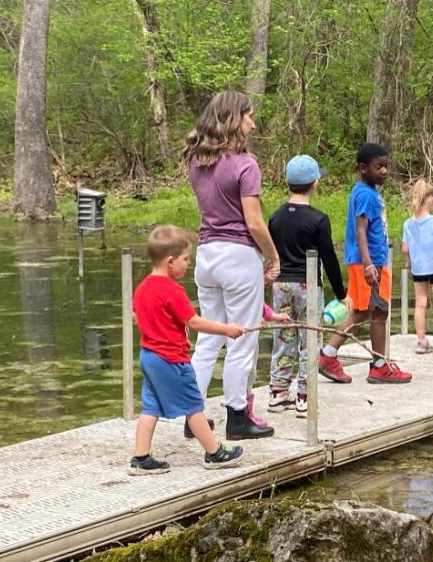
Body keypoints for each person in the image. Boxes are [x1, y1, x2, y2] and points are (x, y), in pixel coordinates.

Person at [186, 91, 278, 440]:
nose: (253, 123)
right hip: (238, 256)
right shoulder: (244, 164)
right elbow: (254, 223)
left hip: (207, 254)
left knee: (209, 339)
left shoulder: (197, 160)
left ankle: (192, 416)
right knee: (242, 339)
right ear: (234, 118)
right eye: (249, 116)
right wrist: (273, 255)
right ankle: (238, 418)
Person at [128, 225, 246, 475]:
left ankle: (140, 458)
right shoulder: (172, 290)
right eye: (185, 259)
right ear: (170, 262)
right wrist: (227, 329)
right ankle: (215, 453)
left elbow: (137, 316)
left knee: (150, 407)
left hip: (148, 356)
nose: (188, 264)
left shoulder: (142, 288)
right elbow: (194, 321)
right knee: (194, 405)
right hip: (171, 359)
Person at [317, 143, 412, 384]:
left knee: (368, 311)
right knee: (374, 312)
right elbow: (361, 230)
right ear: (362, 168)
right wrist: (369, 265)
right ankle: (377, 365)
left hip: (372, 261)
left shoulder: (367, 191)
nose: (384, 171)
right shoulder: (366, 195)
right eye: (378, 167)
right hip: (369, 263)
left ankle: (335, 355)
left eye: (386, 166)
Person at [266, 154, 350, 417]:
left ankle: (278, 391)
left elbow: (271, 253)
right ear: (315, 183)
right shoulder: (318, 219)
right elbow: (329, 258)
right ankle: (304, 396)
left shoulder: (276, 216)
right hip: (308, 286)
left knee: (284, 337)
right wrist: (341, 293)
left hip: (280, 285)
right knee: (310, 340)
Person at [402, 179, 433, 356]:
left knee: (420, 303)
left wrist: (409, 261)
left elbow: (405, 248)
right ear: (429, 199)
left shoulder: (408, 224)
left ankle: (422, 341)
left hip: (418, 269)